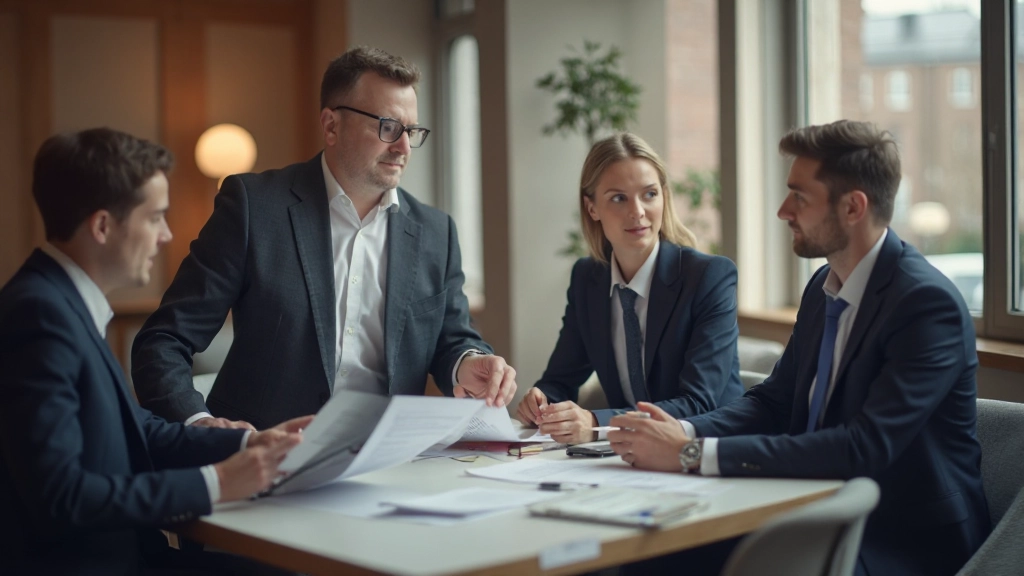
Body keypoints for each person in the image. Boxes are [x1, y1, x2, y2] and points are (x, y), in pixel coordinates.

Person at [608, 120, 990, 575]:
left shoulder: (926, 305)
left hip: (903, 538)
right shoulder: (822, 287)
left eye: (799, 196)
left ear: (853, 207)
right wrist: (683, 431)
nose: (783, 210)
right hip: (809, 505)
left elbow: (863, 447)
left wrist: (691, 455)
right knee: (651, 557)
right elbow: (776, 399)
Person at [132, 46, 515, 430]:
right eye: (388, 127)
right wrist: (199, 424)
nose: (402, 147)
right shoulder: (254, 208)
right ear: (331, 126)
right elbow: (163, 342)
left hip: (388, 456)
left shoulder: (436, 231)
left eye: (411, 131)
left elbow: (452, 339)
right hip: (266, 457)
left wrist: (467, 362)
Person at [0, 127, 312, 575]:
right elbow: (61, 496)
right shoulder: (39, 316)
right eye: (155, 218)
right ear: (104, 226)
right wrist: (218, 482)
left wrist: (247, 441)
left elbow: (135, 428)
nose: (166, 235)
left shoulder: (60, 302)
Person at [514, 133, 743, 444]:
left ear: (664, 196)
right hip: (631, 458)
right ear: (592, 207)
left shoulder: (709, 277)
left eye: (649, 194)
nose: (638, 212)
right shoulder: (587, 279)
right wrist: (542, 401)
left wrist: (596, 422)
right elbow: (561, 379)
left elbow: (699, 403)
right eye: (618, 198)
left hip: (708, 450)